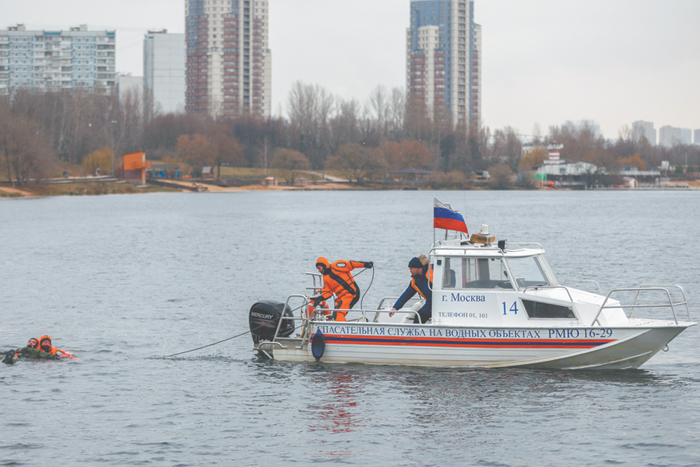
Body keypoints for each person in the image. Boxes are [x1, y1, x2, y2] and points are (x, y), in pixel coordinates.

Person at [311, 257, 373, 322]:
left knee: (338, 313)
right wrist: (319, 298)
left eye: (319, 268)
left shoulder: (337, 266)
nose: (319, 271)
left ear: (324, 266)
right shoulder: (325, 278)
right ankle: (342, 329)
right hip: (342, 297)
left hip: (351, 294)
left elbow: (351, 264)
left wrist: (365, 264)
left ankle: (342, 331)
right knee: (335, 314)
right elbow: (328, 292)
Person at [391, 255, 433, 324]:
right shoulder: (416, 281)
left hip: (438, 302)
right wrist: (395, 307)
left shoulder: (431, 274)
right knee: (419, 316)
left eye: (411, 269)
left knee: (420, 316)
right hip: (430, 303)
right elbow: (406, 294)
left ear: (418, 268)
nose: (410, 271)